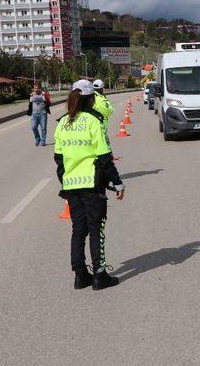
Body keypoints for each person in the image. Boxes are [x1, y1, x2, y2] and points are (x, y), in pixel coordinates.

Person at [54, 80, 125, 291]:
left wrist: (66, 181)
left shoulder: (63, 122)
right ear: (91, 98)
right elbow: (104, 156)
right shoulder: (94, 121)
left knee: (78, 230)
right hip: (92, 184)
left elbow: (58, 159)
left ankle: (80, 275)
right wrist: (117, 182)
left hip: (71, 184)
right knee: (97, 229)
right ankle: (99, 275)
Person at [92, 79, 114, 144]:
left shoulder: (89, 97)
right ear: (101, 89)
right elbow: (109, 111)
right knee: (104, 146)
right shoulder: (100, 99)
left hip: (90, 127)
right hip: (100, 127)